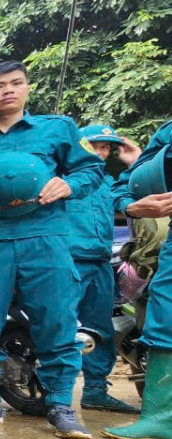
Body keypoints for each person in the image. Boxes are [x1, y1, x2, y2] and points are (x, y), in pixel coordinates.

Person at [0, 61, 105, 439]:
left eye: (16, 83)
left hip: (44, 238)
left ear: (28, 89)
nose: (8, 90)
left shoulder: (57, 129)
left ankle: (61, 404)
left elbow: (91, 170)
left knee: (56, 318)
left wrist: (69, 185)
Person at [105, 118, 172, 439]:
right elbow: (126, 188)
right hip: (145, 264)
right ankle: (161, 416)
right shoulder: (167, 133)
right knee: (165, 314)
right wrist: (131, 203)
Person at [69, 125, 141, 414]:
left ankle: (95, 391)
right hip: (66, 262)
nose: (101, 152)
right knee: (56, 327)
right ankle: (53, 392)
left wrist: (134, 162)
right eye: (94, 145)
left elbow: (129, 195)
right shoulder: (64, 179)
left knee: (100, 330)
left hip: (100, 264)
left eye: (106, 148)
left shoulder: (107, 184)